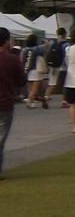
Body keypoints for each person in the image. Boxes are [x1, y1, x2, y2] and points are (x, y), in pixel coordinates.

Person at [0, 27, 27, 181]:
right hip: (5, 103)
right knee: (1, 138)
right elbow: (21, 80)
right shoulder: (12, 59)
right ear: (6, 41)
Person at [22, 34, 48, 109]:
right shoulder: (37, 48)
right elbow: (46, 45)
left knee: (30, 87)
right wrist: (44, 41)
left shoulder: (24, 49)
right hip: (36, 70)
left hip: (27, 70)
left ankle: (31, 101)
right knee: (35, 88)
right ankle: (30, 101)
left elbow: (22, 59)